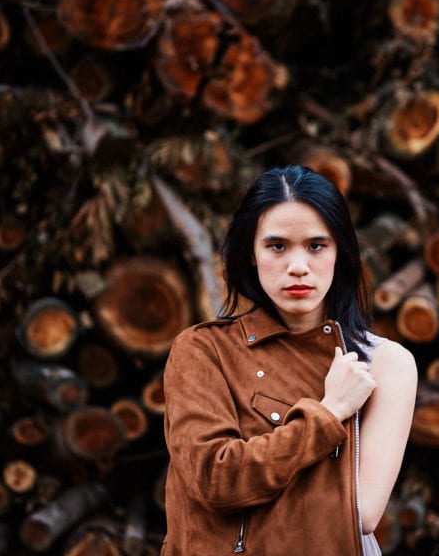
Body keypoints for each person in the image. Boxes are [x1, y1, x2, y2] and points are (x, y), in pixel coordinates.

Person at [161, 164, 418, 555]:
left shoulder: (384, 364)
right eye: (277, 246)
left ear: (340, 253)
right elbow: (215, 478)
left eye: (317, 246)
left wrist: (251, 476)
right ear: (251, 253)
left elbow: (360, 514)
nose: (298, 266)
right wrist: (330, 412)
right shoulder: (202, 351)